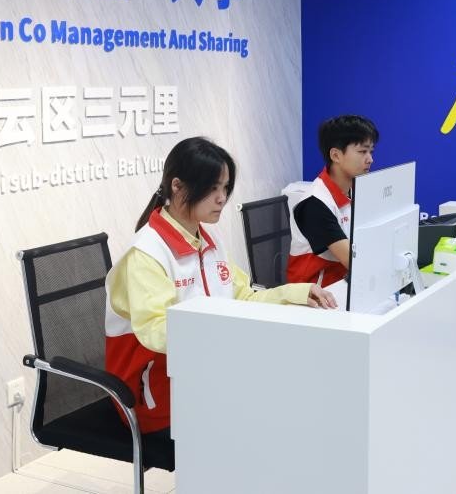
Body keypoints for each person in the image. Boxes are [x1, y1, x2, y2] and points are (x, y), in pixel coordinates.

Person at [105, 136, 336, 435]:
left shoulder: (209, 239)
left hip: (204, 374)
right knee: (270, 412)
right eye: (212, 188)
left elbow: (243, 297)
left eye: (225, 188)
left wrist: (297, 293)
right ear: (177, 187)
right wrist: (222, 335)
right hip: (156, 395)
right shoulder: (147, 253)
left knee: (291, 395)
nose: (222, 198)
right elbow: (156, 331)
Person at [286, 115, 378, 286]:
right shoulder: (314, 204)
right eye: (362, 152)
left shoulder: (355, 191)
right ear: (336, 155)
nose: (370, 159)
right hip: (316, 295)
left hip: (347, 285)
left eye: (371, 151)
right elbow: (355, 262)